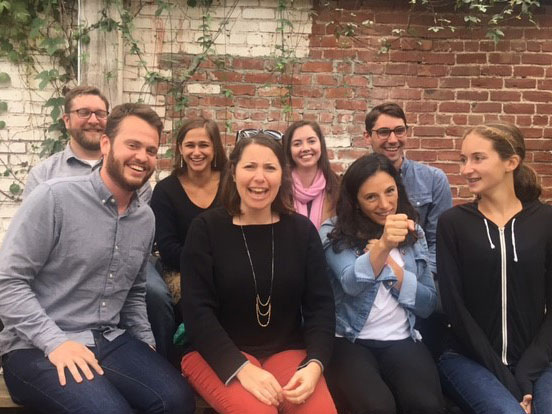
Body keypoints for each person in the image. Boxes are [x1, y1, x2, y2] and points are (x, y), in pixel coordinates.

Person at [0, 103, 195, 414]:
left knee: (177, 401)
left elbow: (134, 291)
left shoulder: (145, 218)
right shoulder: (54, 198)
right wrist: (56, 343)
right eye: (132, 145)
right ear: (106, 144)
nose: (142, 157)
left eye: (151, 149)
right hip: (36, 345)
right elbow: (7, 282)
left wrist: (146, 344)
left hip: (108, 338)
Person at [179, 132, 337, 414]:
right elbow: (197, 311)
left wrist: (315, 364)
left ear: (282, 175)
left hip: (286, 350)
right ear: (234, 171)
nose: (259, 178)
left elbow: (321, 306)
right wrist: (240, 368)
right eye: (250, 166)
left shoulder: (302, 232)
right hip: (216, 352)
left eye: (270, 168)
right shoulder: (206, 229)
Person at [22, 86, 175, 358]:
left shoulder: (135, 174)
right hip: (65, 263)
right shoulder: (47, 177)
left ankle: (159, 358)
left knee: (153, 291)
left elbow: (136, 232)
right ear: (67, 120)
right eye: (84, 112)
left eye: (100, 113)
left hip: (122, 260)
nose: (93, 119)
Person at [437, 123, 552, 414]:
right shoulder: (453, 223)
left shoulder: (545, 221)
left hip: (537, 360)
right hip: (467, 359)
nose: (466, 169)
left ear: (511, 162)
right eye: (463, 159)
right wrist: (509, 382)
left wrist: (527, 371)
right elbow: (455, 308)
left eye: (478, 158)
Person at [320, 153, 447, 414]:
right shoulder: (333, 231)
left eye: (390, 191)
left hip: (401, 337)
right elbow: (351, 282)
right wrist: (385, 245)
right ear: (355, 201)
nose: (385, 204)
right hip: (350, 339)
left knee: (426, 405)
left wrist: (392, 269)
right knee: (377, 407)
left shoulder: (414, 232)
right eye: (371, 197)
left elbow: (428, 304)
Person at [364, 103, 452, 274]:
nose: (393, 139)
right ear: (367, 136)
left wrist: (420, 281)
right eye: (383, 132)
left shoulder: (434, 180)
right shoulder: (355, 182)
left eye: (399, 130)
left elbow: (439, 242)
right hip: (371, 279)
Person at [151, 117, 227, 277]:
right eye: (190, 145)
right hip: (182, 273)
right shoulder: (165, 191)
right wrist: (209, 265)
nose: (196, 152)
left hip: (230, 272)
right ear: (180, 148)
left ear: (215, 148)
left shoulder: (232, 184)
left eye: (204, 145)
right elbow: (168, 249)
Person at [282, 121, 339, 229]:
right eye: (297, 144)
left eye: (311, 141)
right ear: (289, 150)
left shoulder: (338, 187)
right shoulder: (280, 188)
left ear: (321, 144)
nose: (305, 148)